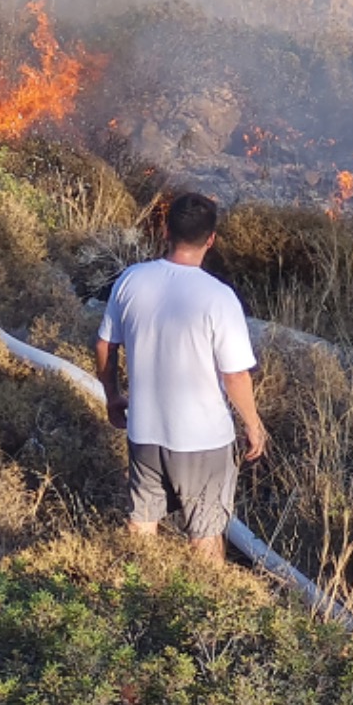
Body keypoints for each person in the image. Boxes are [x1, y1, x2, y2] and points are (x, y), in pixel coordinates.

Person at [94, 192, 267, 564]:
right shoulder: (219, 298)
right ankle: (204, 614)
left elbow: (105, 345)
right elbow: (235, 374)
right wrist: (253, 424)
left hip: (144, 433)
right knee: (205, 537)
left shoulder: (131, 280)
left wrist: (113, 396)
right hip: (203, 441)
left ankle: (133, 605)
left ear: (164, 231)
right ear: (211, 239)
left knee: (140, 530)